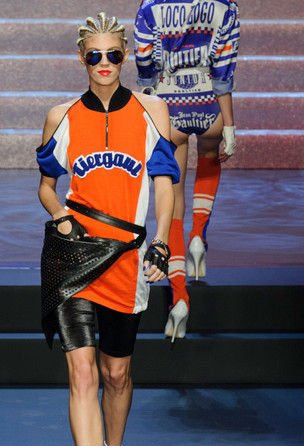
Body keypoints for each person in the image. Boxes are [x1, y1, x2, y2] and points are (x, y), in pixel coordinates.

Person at [36, 12, 180, 446]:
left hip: (127, 259)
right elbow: (47, 187)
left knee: (116, 374)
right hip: (74, 258)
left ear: (125, 57)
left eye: (113, 55)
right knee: (82, 374)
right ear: (81, 58)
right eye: (93, 55)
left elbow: (164, 184)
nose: (103, 64)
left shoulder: (151, 111)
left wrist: (161, 243)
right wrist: (60, 216)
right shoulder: (61, 116)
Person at [134, 0, 240, 341]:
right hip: (209, 102)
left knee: (172, 201)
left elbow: (144, 60)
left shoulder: (151, 6)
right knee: (209, 158)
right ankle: (198, 236)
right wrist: (229, 125)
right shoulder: (224, 5)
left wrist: (149, 93)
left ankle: (179, 298)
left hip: (169, 103)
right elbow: (224, 67)